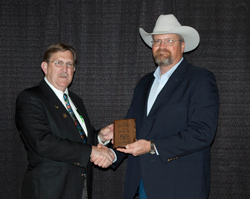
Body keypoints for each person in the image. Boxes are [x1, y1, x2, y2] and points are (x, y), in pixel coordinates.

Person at [114, 14, 219, 198]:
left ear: (182, 45)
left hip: (180, 186)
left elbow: (203, 132)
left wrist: (152, 147)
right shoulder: (144, 83)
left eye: (169, 40)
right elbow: (131, 127)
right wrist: (111, 154)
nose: (162, 47)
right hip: (143, 183)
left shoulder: (200, 79)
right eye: (157, 41)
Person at [15, 43, 115, 199]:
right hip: (49, 191)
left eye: (69, 64)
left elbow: (79, 139)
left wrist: (100, 137)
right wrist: (92, 151)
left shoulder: (75, 100)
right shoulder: (30, 98)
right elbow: (43, 142)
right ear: (45, 66)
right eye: (58, 63)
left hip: (79, 189)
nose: (64, 69)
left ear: (74, 69)